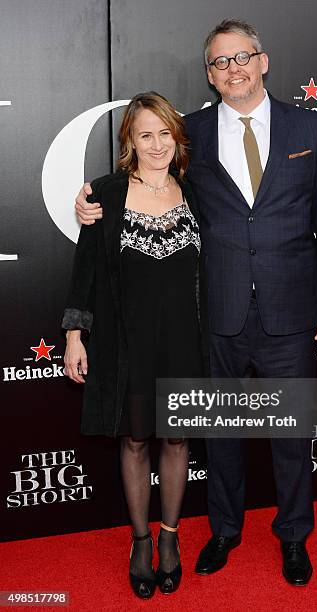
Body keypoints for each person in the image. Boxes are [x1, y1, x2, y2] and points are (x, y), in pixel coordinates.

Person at [75, 19, 317, 586]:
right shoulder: (190, 134)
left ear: (264, 60)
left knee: (291, 434)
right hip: (216, 314)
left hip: (289, 309)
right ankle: (224, 530)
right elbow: (143, 184)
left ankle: (294, 536)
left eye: (242, 57)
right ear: (209, 74)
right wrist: (88, 204)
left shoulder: (309, 126)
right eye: (221, 62)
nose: (234, 69)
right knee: (220, 433)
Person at [63, 92, 202, 599]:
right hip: (130, 345)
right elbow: (86, 272)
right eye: (146, 133)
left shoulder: (196, 192)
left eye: (165, 132)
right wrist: (76, 335)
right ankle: (140, 541)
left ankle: (171, 538)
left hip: (186, 341)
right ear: (129, 141)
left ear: (177, 136)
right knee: (137, 439)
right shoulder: (105, 193)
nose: (158, 143)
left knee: (178, 440)